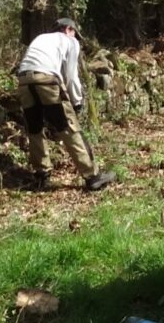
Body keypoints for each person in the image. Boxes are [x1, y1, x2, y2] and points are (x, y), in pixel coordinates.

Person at [14, 17, 116, 192]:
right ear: (68, 29)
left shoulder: (41, 38)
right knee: (68, 127)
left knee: (34, 127)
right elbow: (71, 76)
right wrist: (76, 102)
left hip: (24, 80)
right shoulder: (70, 41)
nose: (75, 36)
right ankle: (92, 175)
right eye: (75, 32)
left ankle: (41, 174)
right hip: (47, 79)